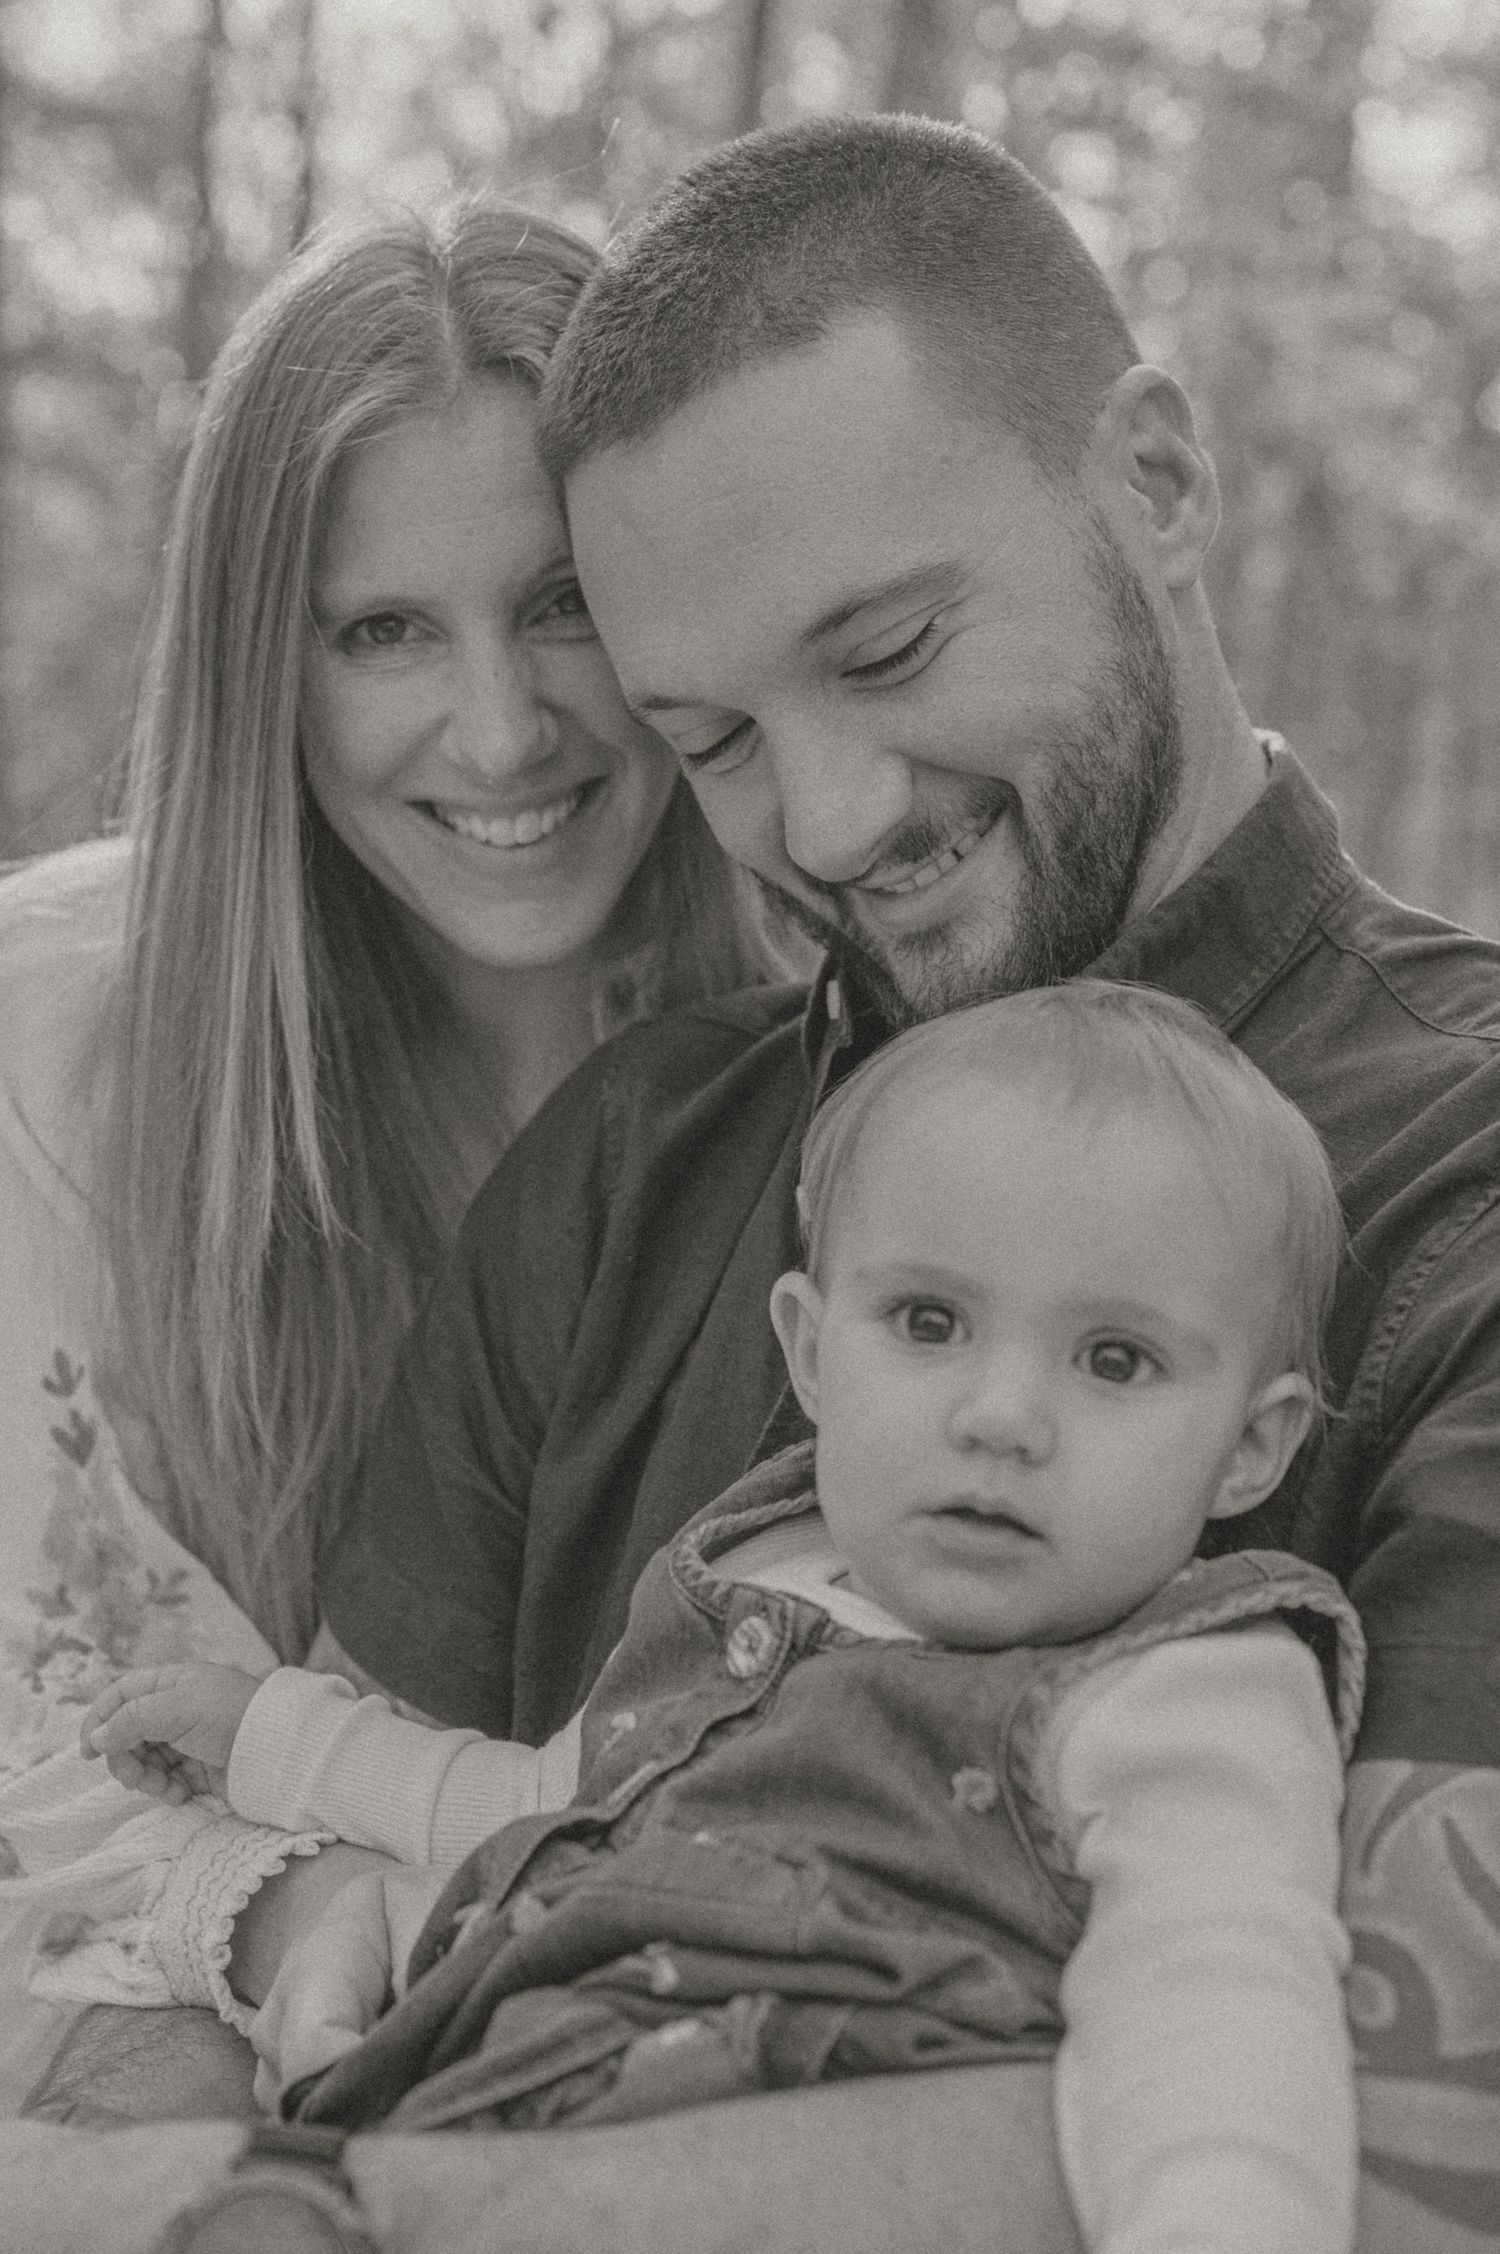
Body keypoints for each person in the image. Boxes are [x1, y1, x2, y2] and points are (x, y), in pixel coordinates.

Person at [37, 113, 1500, 2254]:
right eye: (706, 734)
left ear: (1156, 482)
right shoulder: (642, 1148)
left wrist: (293, 2208)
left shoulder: (1459, 1180)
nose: (819, 818)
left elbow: (1417, 2140)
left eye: (887, 653)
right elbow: (334, 1881)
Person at [85, 983, 1366, 2254]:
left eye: (1114, 1360)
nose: (1001, 1414)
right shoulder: (753, 1573)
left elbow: (1218, 2000)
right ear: (810, 1354)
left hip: (808, 2134)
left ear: (1252, 1447)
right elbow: (556, 1808)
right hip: (486, 2106)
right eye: (931, 1322)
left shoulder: (1185, 1684)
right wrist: (279, 1738)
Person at [0, 195, 774, 2121]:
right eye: (383, 630)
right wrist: (290, 1906)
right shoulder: (58, 1034)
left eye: (567, 602)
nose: (501, 729)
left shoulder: (819, 1042)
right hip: (142, 1936)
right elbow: (48, 1704)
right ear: (268, 661)